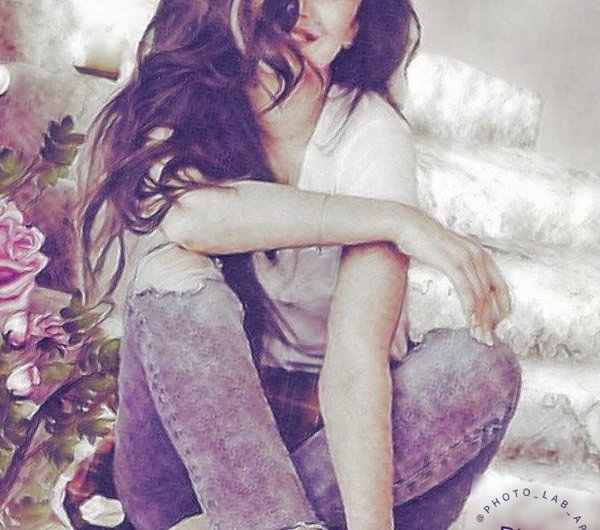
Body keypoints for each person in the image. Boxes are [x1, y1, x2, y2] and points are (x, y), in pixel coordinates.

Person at [76, 0, 521, 529]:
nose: (303, 8)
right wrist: (394, 219)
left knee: (481, 365)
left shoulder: (369, 134)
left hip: (323, 443)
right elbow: (193, 218)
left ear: (355, 26)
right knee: (172, 275)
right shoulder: (182, 94)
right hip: (180, 460)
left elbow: (356, 364)